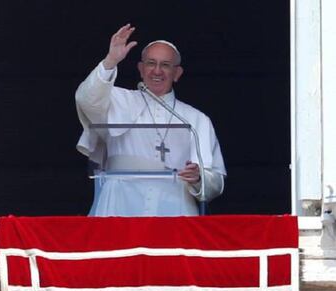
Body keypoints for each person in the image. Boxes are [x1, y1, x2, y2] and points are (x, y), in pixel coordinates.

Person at [76, 24, 226, 216]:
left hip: (174, 210)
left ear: (177, 73)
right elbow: (85, 99)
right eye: (150, 63)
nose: (157, 71)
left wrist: (199, 178)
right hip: (118, 205)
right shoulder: (117, 100)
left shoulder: (197, 119)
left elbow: (216, 183)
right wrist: (110, 61)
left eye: (165, 65)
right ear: (141, 68)